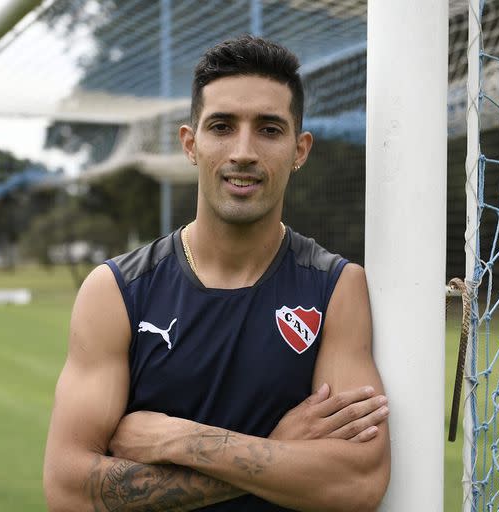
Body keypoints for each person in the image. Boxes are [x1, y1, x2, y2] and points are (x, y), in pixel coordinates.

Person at [43, 35, 390, 511]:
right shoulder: (117, 291)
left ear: (300, 149)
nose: (243, 151)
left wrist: (181, 440)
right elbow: (68, 492)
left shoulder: (335, 288)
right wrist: (279, 446)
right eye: (222, 126)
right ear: (191, 143)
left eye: (269, 129)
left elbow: (358, 481)